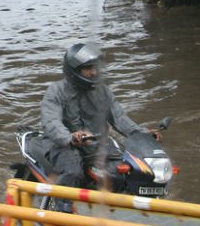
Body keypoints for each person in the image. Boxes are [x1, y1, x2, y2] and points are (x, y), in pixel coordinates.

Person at [39, 43, 159, 195]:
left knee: (130, 169)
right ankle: (64, 211)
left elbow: (119, 117)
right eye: (88, 68)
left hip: (95, 142)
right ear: (74, 70)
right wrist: (70, 137)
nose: (94, 72)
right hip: (63, 144)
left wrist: (142, 134)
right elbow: (51, 122)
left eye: (96, 67)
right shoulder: (56, 91)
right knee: (73, 173)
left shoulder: (102, 91)